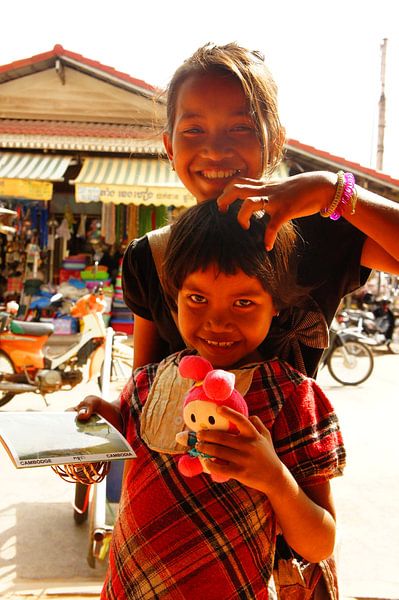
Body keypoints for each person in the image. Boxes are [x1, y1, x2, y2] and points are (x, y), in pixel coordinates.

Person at [77, 200, 345, 599]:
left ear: (275, 306)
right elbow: (133, 459)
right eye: (197, 299)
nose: (218, 322)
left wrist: (274, 478)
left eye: (243, 302)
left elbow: (319, 544)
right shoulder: (148, 383)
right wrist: (103, 421)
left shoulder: (292, 396)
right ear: (174, 298)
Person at [123, 41, 399, 377]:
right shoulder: (150, 258)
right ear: (169, 146)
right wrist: (111, 409)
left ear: (277, 142)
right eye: (193, 130)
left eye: (240, 128)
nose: (214, 149)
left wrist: (332, 189)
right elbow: (141, 392)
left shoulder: (320, 233)